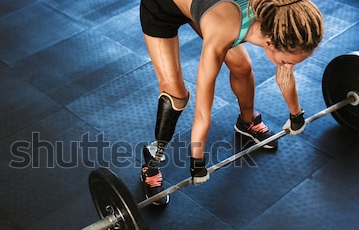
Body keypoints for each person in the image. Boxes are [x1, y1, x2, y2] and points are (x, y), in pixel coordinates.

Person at [139, 0, 324, 205]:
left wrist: (296, 114)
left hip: (209, 7)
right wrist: (197, 161)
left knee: (242, 67)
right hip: (162, 7)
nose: (288, 67)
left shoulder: (280, 16)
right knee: (176, 96)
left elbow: (285, 73)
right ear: (270, 43)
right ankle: (152, 163)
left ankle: (247, 122)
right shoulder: (222, 32)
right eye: (287, 62)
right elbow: (202, 112)